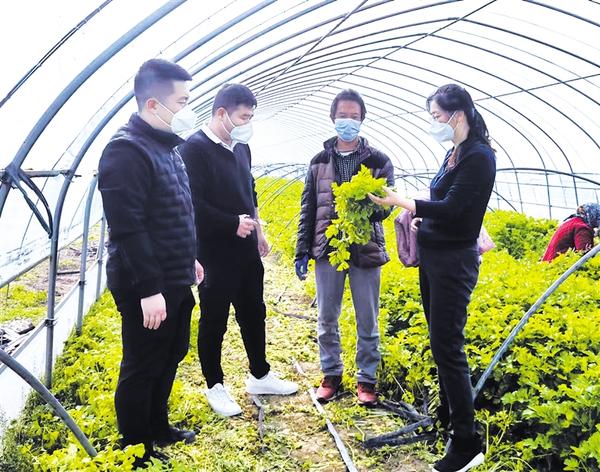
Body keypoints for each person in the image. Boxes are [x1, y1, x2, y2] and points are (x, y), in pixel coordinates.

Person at [370, 84, 496, 472]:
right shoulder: (453, 153)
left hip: (454, 263)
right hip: (435, 257)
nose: (434, 123)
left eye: (437, 116)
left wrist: (401, 201)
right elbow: (443, 205)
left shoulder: (479, 156)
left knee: (449, 347)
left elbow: (456, 209)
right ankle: (448, 419)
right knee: (440, 343)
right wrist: (422, 219)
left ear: (457, 115)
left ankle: (467, 443)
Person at [98, 59, 204, 467]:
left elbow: (175, 212)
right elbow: (129, 228)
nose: (186, 109)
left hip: (174, 276)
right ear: (154, 104)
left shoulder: (166, 147)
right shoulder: (125, 151)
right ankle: (136, 448)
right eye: (182, 101)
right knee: (141, 364)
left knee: (170, 353)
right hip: (146, 282)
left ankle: (159, 427)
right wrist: (150, 289)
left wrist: (190, 260)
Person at [178, 83, 298, 417]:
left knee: (254, 312)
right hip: (214, 252)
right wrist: (232, 223)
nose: (248, 123)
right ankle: (214, 385)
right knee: (214, 319)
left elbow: (250, 190)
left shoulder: (242, 147)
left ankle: (260, 375)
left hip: (246, 249)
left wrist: (258, 230)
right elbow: (192, 203)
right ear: (222, 113)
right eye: (244, 117)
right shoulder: (194, 149)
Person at [295, 89, 394, 406]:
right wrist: (302, 249)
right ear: (333, 118)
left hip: (366, 248)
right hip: (328, 247)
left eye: (354, 116)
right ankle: (331, 375)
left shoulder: (379, 160)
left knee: (368, 318)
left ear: (362, 119)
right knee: (326, 317)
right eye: (343, 116)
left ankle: (366, 380)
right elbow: (309, 207)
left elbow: (388, 206)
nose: (348, 121)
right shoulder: (319, 161)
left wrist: (365, 205)